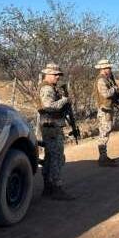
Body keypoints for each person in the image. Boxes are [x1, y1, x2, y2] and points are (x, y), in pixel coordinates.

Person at [37, 63, 76, 200]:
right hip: (51, 125)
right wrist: (64, 101)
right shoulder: (47, 88)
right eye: (55, 75)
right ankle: (56, 187)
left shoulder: (51, 87)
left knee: (50, 157)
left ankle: (48, 187)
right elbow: (49, 106)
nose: (58, 77)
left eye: (58, 74)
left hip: (51, 125)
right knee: (57, 157)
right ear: (48, 74)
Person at [93, 59, 119, 166]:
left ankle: (104, 156)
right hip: (104, 110)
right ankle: (102, 159)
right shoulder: (101, 80)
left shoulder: (106, 79)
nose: (110, 69)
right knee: (104, 133)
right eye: (108, 68)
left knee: (106, 132)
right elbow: (106, 94)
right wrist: (114, 89)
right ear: (103, 69)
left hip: (107, 109)